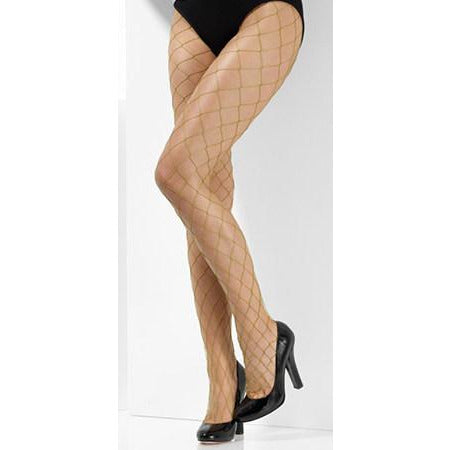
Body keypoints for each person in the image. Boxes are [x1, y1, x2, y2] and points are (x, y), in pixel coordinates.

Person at [154, 0, 305, 443]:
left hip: (269, 8)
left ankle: (262, 336)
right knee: (198, 187)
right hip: (194, 12)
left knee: (174, 173)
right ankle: (222, 381)